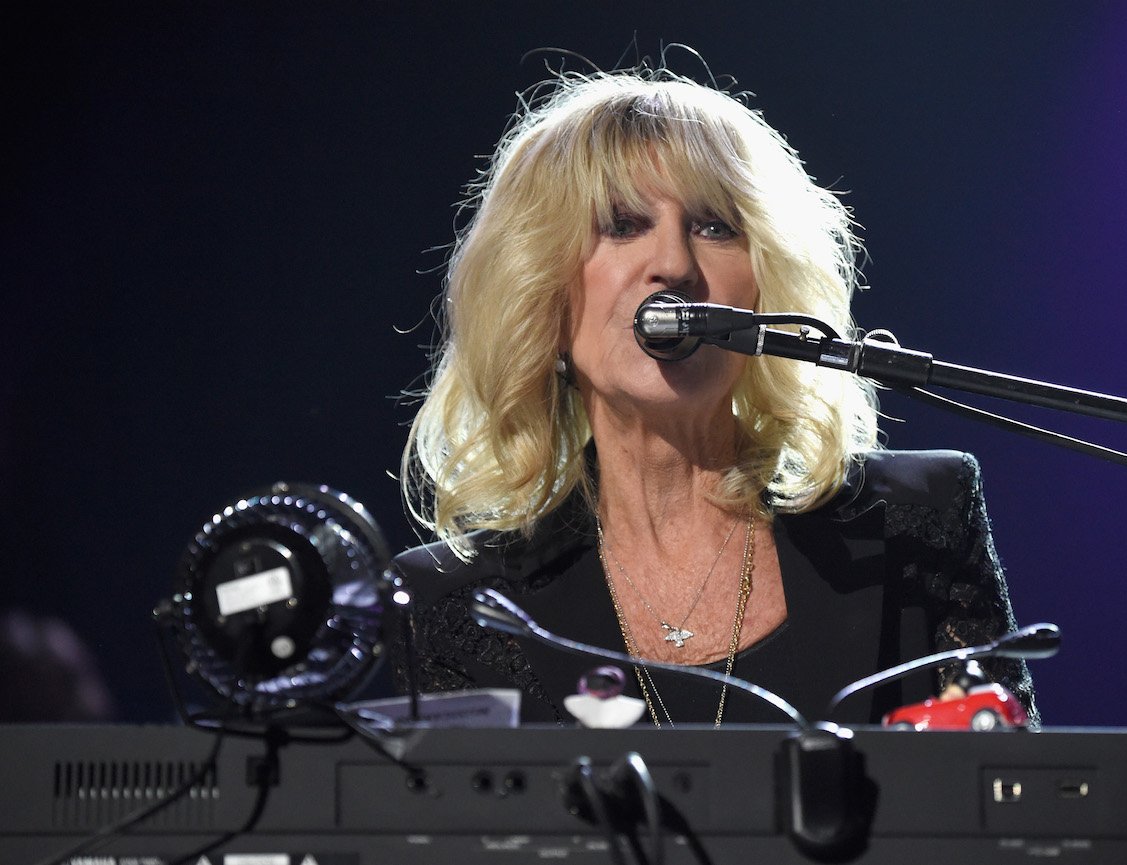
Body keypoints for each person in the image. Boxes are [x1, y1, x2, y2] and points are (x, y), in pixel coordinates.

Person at [393, 68, 1037, 727]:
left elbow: (1011, 804)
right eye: (622, 225)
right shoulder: (460, 603)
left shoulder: (915, 526)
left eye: (714, 226)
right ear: (543, 295)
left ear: (764, 286)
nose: (672, 263)